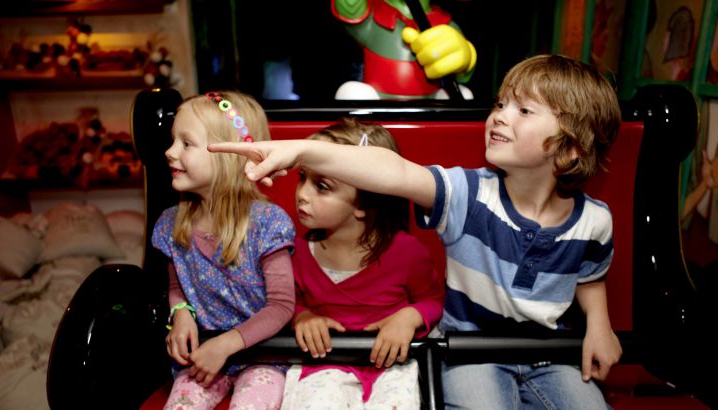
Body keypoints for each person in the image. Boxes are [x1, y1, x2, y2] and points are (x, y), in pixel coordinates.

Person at [209, 54, 624, 409]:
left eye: (524, 110)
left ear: (571, 148)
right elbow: (391, 172)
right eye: (501, 103)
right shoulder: (466, 194)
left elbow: (589, 276)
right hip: (470, 354)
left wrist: (599, 328)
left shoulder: (595, 221)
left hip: (552, 354)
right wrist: (303, 149)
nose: (499, 114)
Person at [280, 118, 444, 409]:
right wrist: (303, 317)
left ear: (365, 204)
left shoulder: (407, 253)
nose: (302, 194)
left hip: (392, 364)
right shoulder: (295, 252)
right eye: (302, 177)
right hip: (323, 364)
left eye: (321, 185)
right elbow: (286, 301)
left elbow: (433, 300)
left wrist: (409, 316)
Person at [152, 91, 295, 410]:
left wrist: (226, 345)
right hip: (202, 357)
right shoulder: (170, 224)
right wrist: (181, 314)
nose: (169, 151)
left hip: (264, 357)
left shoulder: (268, 224)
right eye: (173, 140)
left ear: (228, 155)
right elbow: (177, 288)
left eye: (186, 143)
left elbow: (282, 306)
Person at [332, 0, 476, 100]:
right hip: (374, 108)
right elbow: (348, 6)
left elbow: (462, 75)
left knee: (465, 95)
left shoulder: (445, 23)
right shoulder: (372, 14)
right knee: (351, 93)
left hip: (430, 107)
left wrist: (467, 58)